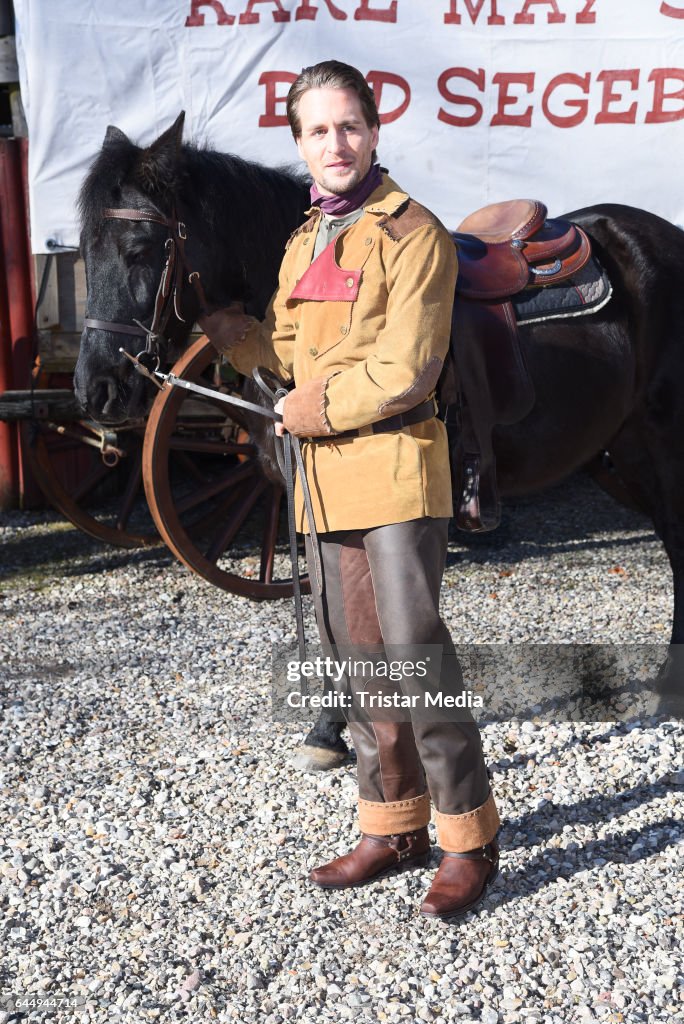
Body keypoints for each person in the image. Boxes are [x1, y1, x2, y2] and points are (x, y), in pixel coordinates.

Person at [200, 60, 500, 920]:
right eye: (318, 130)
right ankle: (391, 824)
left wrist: (313, 404)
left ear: (373, 132)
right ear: (300, 145)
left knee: (414, 660)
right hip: (325, 484)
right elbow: (288, 356)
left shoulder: (416, 236)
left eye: (349, 126)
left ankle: (467, 838)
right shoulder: (307, 242)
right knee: (357, 659)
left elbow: (407, 369)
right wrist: (235, 337)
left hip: (397, 471)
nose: (336, 143)